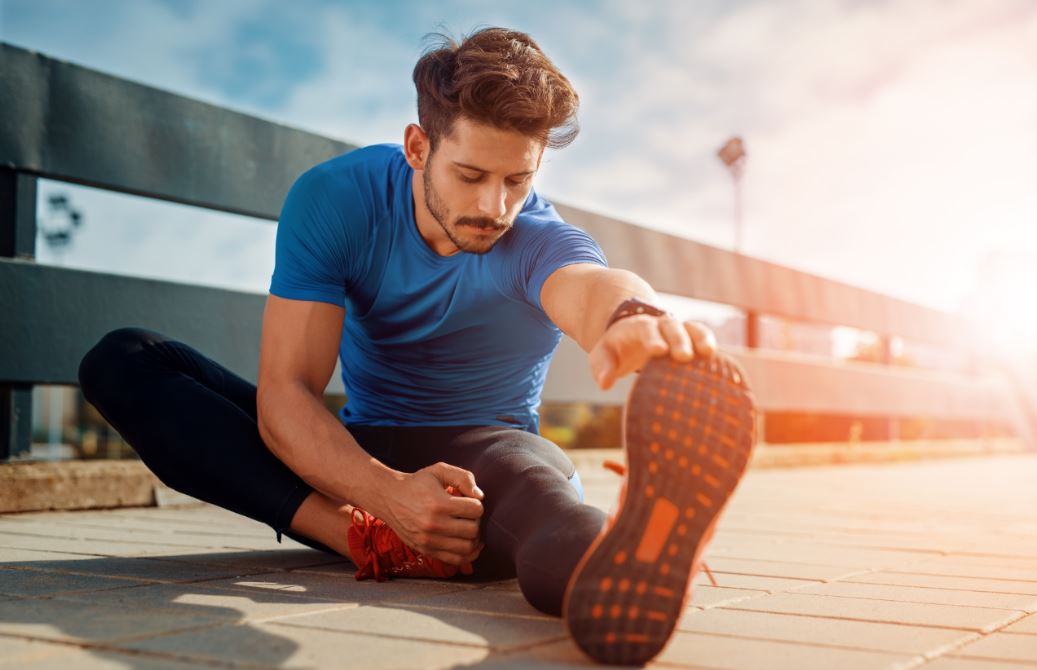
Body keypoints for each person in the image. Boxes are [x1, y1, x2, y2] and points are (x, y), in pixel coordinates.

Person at [77, 27, 756, 665]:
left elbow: (590, 285)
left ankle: (635, 554)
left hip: (486, 467)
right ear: (417, 146)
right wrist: (386, 501)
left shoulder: (540, 240)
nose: (495, 206)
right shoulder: (335, 199)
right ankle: (363, 540)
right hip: (359, 455)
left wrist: (632, 315)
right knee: (126, 360)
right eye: (471, 175)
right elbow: (286, 394)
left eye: (517, 181)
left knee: (556, 520)